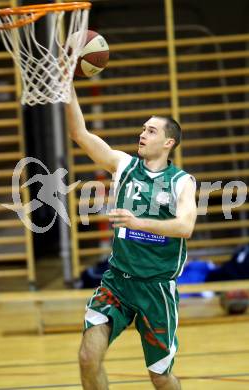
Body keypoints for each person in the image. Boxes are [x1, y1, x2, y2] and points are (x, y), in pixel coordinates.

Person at [66, 85, 197, 390]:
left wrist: (139, 221)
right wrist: (66, 86)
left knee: (160, 378)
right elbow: (80, 134)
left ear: (168, 142)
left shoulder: (182, 182)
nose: (143, 134)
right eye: (142, 129)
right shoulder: (123, 166)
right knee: (88, 357)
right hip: (118, 283)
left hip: (156, 289)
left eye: (151, 131)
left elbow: (184, 227)